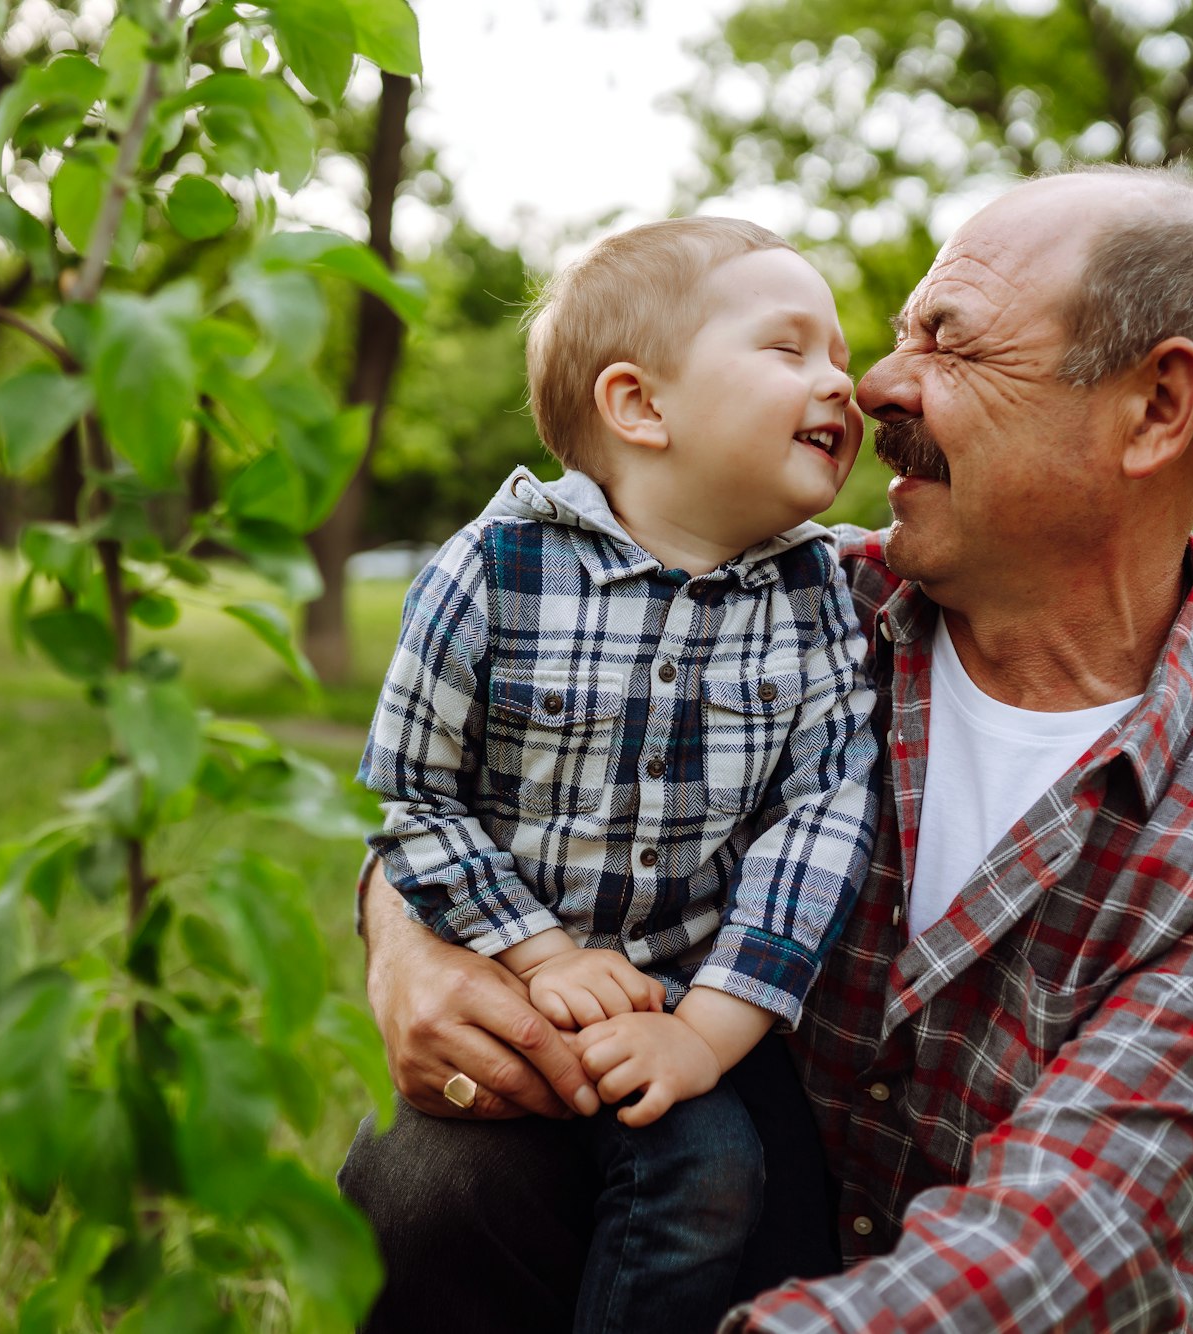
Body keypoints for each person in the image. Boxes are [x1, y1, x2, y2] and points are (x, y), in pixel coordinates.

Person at [338, 163, 1193, 1333]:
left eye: (948, 342)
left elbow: (1071, 1227)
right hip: (683, 1230)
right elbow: (477, 782)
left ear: (1154, 407)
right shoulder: (770, 604)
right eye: (900, 333)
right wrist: (404, 936)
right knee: (433, 1173)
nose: (872, 382)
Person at [353, 217, 882, 1334]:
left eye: (837, 353)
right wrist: (539, 953)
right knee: (428, 1195)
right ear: (639, 405)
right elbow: (414, 794)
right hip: (519, 991)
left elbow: (819, 821)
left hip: (712, 1005)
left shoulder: (814, 596)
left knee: (730, 1184)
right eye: (790, 349)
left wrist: (704, 1032)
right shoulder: (489, 572)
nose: (843, 383)